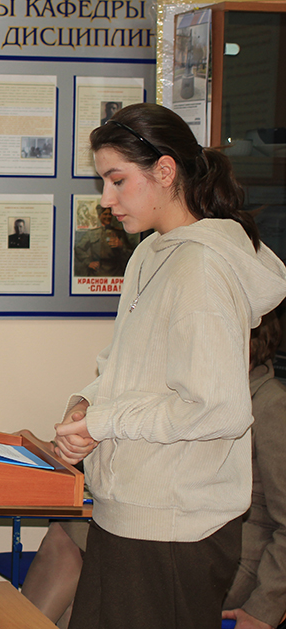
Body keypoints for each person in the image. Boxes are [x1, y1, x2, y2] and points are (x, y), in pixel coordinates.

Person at [52, 102, 286, 629]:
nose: (106, 199)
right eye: (102, 182)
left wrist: (105, 421)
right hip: (126, 514)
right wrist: (86, 404)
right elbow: (123, 365)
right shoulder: (151, 252)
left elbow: (216, 409)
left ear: (164, 171)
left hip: (174, 532)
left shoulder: (201, 268)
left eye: (118, 180)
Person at [223, 310, 286, 629]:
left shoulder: (271, 404)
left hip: (241, 563)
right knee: (77, 541)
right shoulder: (214, 397)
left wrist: (264, 608)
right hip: (200, 544)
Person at [73, 205, 131, 277]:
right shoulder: (92, 233)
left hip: (116, 272)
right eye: (105, 214)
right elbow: (78, 248)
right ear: (99, 216)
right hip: (97, 272)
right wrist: (88, 262)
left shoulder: (119, 233)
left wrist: (121, 246)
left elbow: (130, 253)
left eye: (110, 214)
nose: (108, 216)